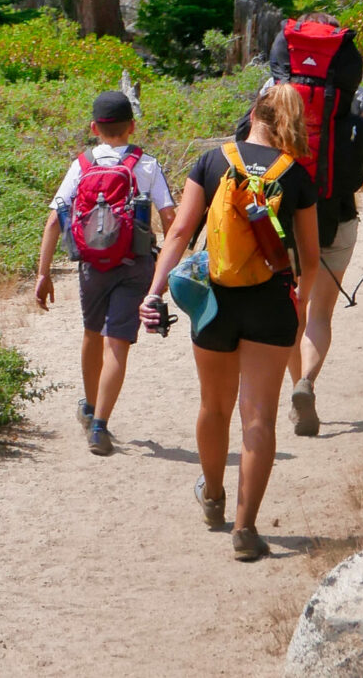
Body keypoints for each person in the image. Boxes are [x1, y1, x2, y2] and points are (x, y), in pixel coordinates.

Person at [142, 84, 320, 562]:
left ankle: (214, 498)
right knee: (258, 417)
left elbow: (179, 230)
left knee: (213, 407)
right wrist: (301, 297)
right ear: (290, 122)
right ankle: (245, 529)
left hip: (213, 304)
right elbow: (310, 258)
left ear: (252, 112)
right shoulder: (297, 176)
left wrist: (154, 291)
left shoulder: (212, 160)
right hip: (269, 304)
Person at [258, 12, 363, 436]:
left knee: (292, 306)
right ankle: (306, 382)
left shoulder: (273, 88)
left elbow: (249, 147)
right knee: (321, 312)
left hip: (282, 215)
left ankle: (294, 389)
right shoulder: (355, 95)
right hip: (336, 215)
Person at [35, 89, 178, 457]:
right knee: (117, 342)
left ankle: (88, 404)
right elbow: (169, 220)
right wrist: (167, 269)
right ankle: (100, 425)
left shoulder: (81, 164)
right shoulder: (146, 165)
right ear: (132, 126)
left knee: (91, 333)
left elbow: (54, 220)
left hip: (91, 266)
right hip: (135, 266)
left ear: (94, 128)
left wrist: (43, 273)